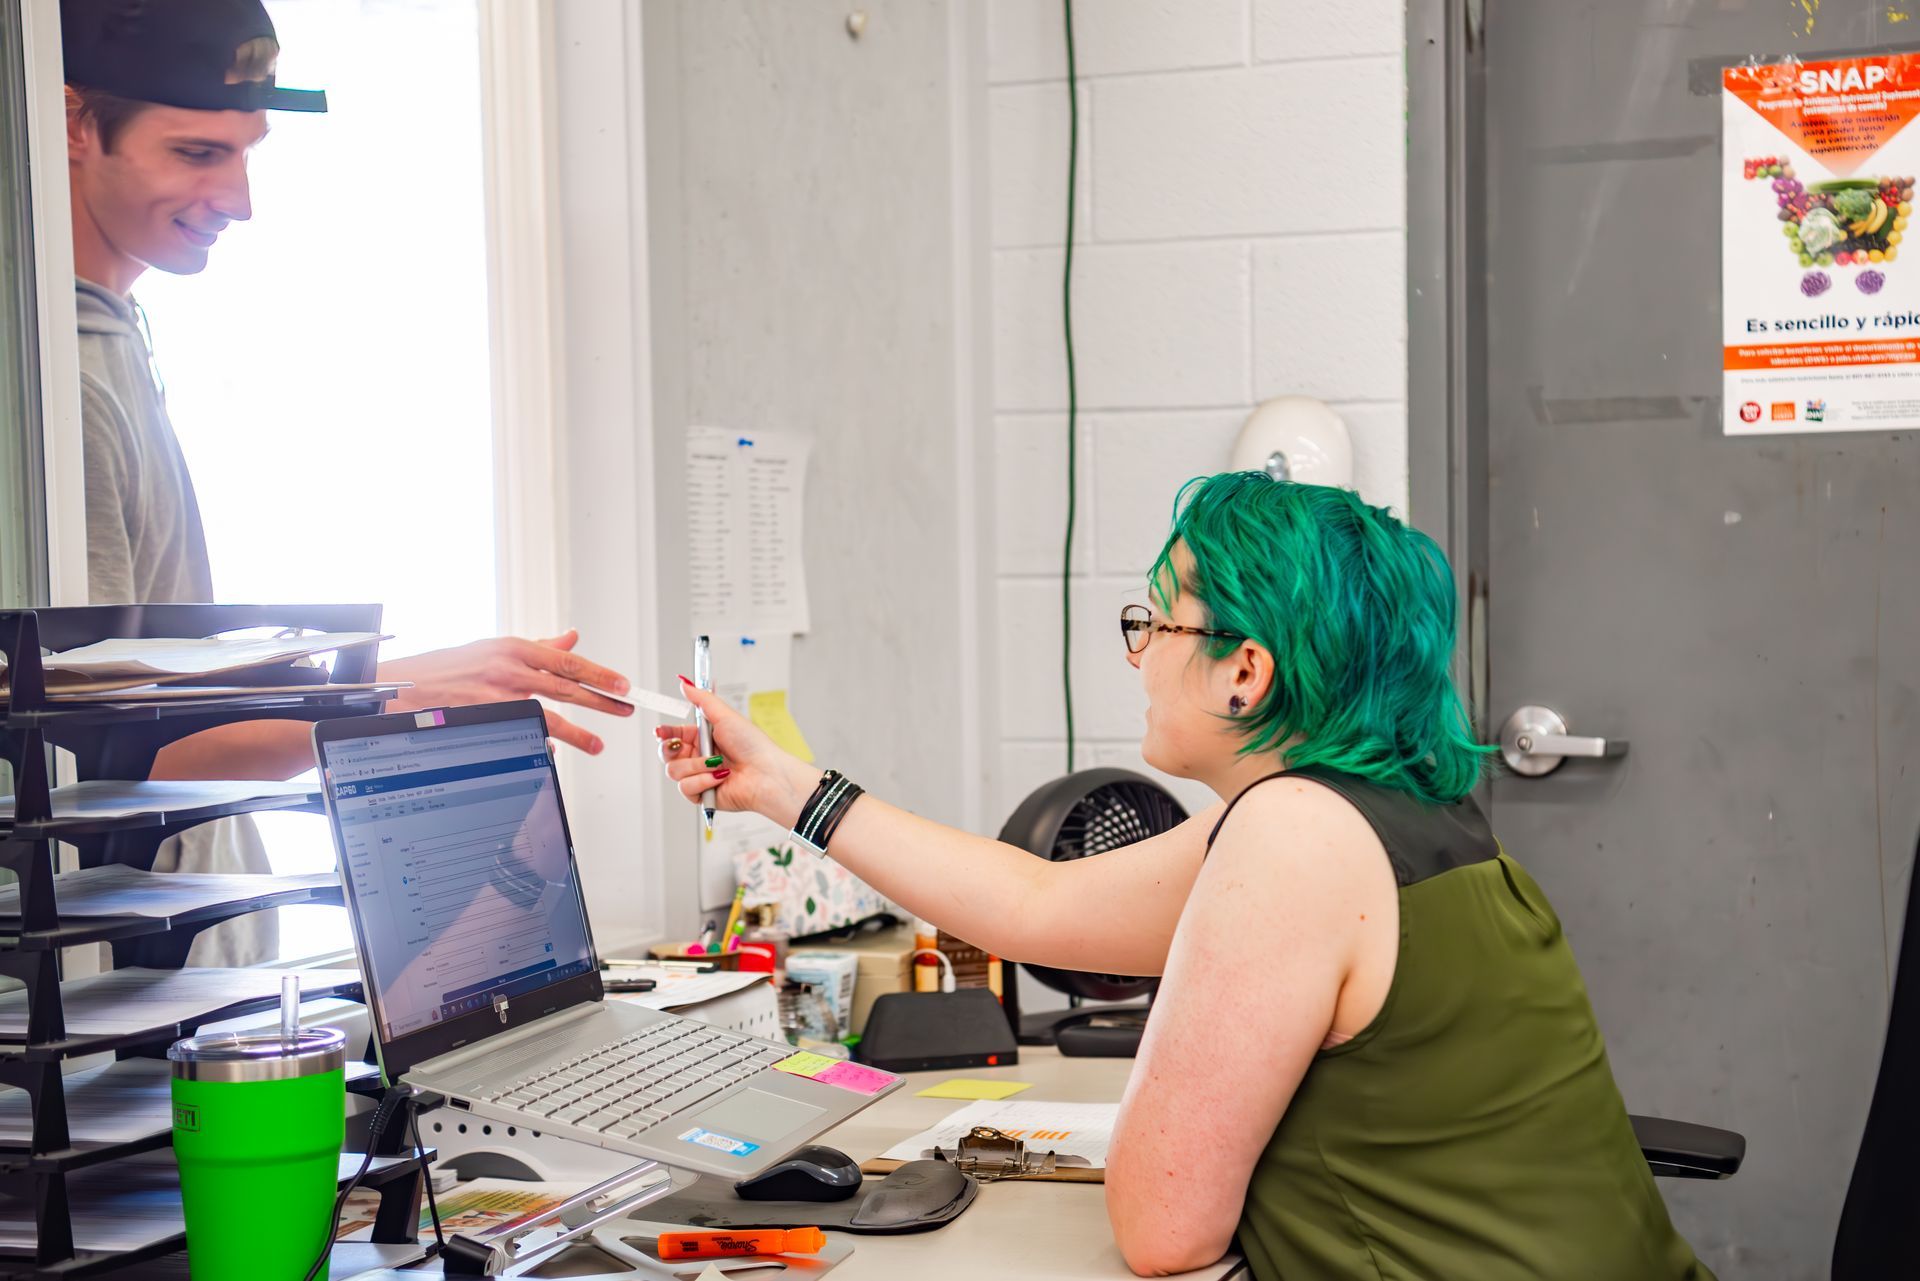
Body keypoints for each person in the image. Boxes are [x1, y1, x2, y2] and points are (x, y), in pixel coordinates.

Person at [660, 473, 1711, 1280]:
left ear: (1244, 670)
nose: (1139, 657)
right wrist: (786, 790)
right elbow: (1038, 905)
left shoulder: (1293, 839)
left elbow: (1162, 1229)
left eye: (1154, 624)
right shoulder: (1385, 807)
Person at [62, 0, 631, 962]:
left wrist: (410, 681)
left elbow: (163, 695)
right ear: (75, 126)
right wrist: (382, 695)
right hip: (113, 979)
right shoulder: (56, 386)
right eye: (198, 153)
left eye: (249, 151)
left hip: (194, 959)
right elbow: (105, 754)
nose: (239, 198)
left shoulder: (116, 335)